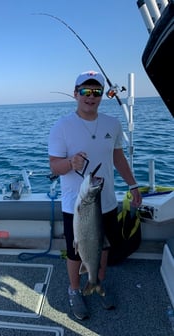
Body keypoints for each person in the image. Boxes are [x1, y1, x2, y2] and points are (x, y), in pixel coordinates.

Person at [48, 70, 142, 320]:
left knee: (103, 248)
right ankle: (74, 290)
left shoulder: (112, 123)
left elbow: (118, 157)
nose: (91, 96)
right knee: (74, 251)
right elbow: (54, 166)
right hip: (75, 206)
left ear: (102, 95)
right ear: (75, 93)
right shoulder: (62, 126)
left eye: (96, 91)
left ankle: (98, 284)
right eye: (86, 91)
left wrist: (133, 185)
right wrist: (71, 163)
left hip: (107, 201)